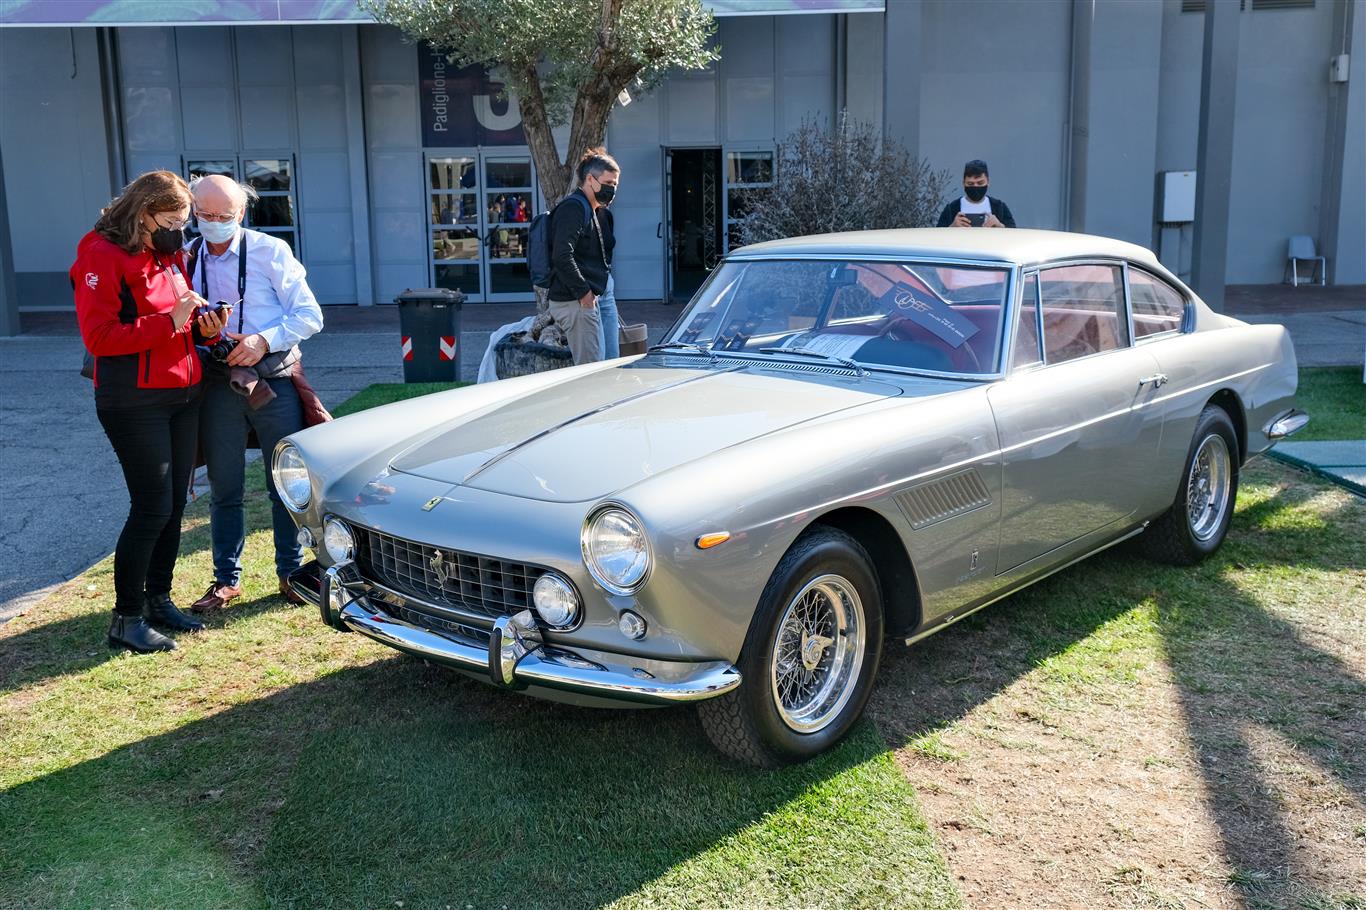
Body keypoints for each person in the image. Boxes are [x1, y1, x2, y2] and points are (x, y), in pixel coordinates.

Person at [72, 170, 229, 653]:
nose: (179, 231)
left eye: (183, 222)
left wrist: (203, 327)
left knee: (176, 504)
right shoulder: (101, 254)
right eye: (171, 221)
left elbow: (179, 321)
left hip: (183, 394)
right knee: (152, 507)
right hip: (134, 401)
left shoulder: (165, 252)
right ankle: (126, 618)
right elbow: (100, 338)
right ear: (143, 213)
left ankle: (158, 599)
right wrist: (171, 321)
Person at [187, 175, 324, 613]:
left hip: (273, 378)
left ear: (241, 213)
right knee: (224, 486)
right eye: (204, 215)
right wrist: (205, 333)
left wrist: (262, 340)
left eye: (223, 216)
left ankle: (291, 573)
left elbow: (310, 315)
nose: (214, 223)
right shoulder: (186, 257)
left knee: (284, 481)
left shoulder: (269, 250)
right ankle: (225, 580)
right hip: (218, 382)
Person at [547, 148, 619, 364]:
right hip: (576, 299)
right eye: (608, 183)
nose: (612, 189)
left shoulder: (599, 211)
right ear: (590, 179)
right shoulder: (573, 208)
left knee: (610, 364)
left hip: (599, 295)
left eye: (615, 184)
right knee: (592, 371)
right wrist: (584, 294)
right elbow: (562, 255)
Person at [937, 159, 1016, 229]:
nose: (975, 187)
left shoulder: (1000, 208)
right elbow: (938, 235)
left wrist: (999, 226)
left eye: (980, 183)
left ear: (988, 182)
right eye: (970, 184)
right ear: (963, 183)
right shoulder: (951, 209)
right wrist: (952, 227)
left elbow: (1014, 235)